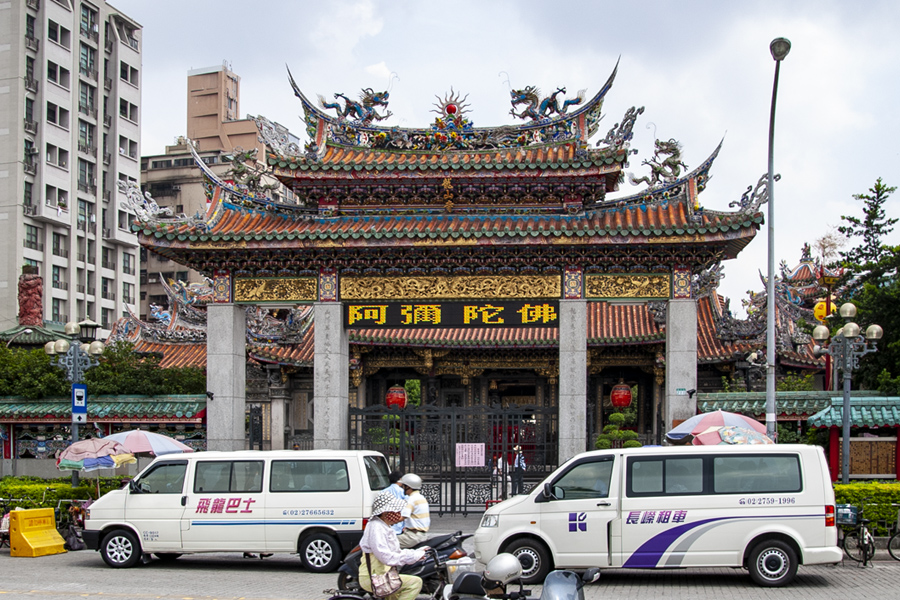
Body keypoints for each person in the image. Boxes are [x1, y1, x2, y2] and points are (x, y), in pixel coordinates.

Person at [358, 493, 429, 600]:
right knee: (415, 583)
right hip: (374, 577)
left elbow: (396, 552)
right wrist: (412, 556)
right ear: (386, 513)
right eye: (395, 511)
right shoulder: (376, 527)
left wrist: (416, 553)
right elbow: (386, 557)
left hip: (384, 575)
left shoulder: (384, 527)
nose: (399, 514)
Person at [396, 473, 430, 548]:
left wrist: (386, 521)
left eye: (403, 486)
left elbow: (401, 518)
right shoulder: (421, 498)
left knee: (387, 542)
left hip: (413, 537)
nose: (402, 488)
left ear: (408, 487)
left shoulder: (411, 499)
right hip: (422, 535)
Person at [384, 470, 408, 535]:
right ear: (400, 479)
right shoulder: (403, 491)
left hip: (387, 521)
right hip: (399, 522)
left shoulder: (384, 491)